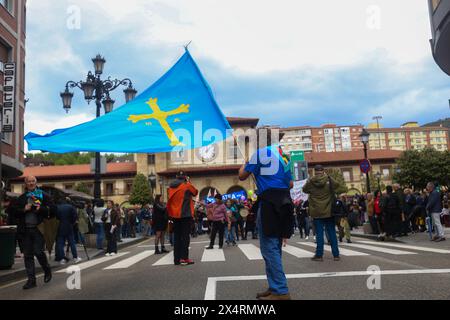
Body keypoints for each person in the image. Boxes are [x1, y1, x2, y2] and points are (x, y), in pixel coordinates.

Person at [239, 128, 294, 300]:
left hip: (269, 203)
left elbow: (242, 176)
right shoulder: (283, 155)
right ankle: (274, 286)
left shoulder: (260, 154)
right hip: (285, 201)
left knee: (269, 247)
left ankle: (280, 291)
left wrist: (246, 161)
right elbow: (291, 184)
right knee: (275, 246)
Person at [13, 176, 55, 290]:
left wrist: (40, 209)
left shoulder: (44, 195)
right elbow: (14, 212)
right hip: (25, 230)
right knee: (27, 255)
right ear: (25, 184)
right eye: (28, 182)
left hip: (39, 229)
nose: (31, 183)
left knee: (38, 251)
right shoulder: (22, 198)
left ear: (36, 183)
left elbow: (53, 210)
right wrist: (24, 209)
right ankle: (31, 280)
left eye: (33, 181)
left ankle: (46, 269)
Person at [303, 165, 341, 262]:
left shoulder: (311, 181)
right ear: (323, 171)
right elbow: (337, 185)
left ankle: (319, 255)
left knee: (319, 234)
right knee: (332, 232)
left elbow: (304, 190)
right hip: (329, 211)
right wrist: (329, 177)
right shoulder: (329, 179)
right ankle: (336, 255)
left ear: (314, 171)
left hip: (316, 212)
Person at [167, 171, 198, 266]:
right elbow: (195, 192)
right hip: (185, 214)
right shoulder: (186, 185)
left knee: (176, 237)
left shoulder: (171, 187)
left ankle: (176, 259)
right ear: (185, 177)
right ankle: (184, 258)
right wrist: (188, 181)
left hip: (175, 215)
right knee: (185, 237)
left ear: (176, 177)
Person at [55, 197, 81, 264]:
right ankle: (75, 257)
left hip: (60, 226)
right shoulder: (70, 207)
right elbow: (75, 216)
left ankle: (62, 259)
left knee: (60, 244)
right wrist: (72, 223)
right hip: (69, 226)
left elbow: (57, 217)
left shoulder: (57, 207)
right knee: (72, 242)